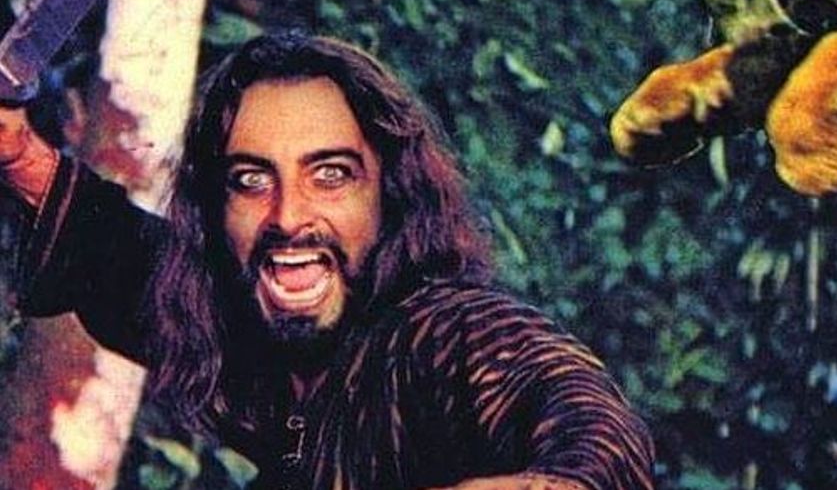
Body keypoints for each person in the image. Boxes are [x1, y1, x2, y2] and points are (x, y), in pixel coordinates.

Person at [0, 32, 655, 490]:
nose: (289, 216)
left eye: (331, 175)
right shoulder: (256, 344)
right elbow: (131, 264)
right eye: (251, 180)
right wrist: (21, 154)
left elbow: (587, 419)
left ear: (390, 192)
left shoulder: (439, 331)